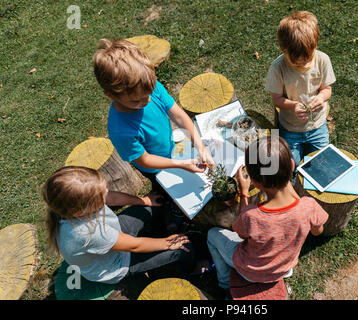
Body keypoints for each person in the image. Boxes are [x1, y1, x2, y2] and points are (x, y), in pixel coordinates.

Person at [92, 38, 215, 230]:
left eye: (148, 94)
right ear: (111, 95)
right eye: (136, 101)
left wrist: (200, 147)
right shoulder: (120, 130)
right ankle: (172, 209)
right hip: (154, 168)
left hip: (171, 148)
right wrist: (181, 164)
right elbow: (145, 161)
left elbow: (180, 117)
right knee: (166, 189)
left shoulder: (149, 86)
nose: (146, 101)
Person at [207, 135, 329, 298]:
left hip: (250, 271)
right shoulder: (308, 206)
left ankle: (223, 282)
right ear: (292, 165)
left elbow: (242, 235)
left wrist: (244, 193)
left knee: (212, 235)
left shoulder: (252, 215)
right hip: (283, 268)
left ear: (255, 183)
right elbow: (317, 231)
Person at [42, 166, 195, 284]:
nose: (107, 193)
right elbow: (136, 246)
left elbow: (112, 198)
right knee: (184, 249)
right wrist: (168, 243)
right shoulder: (88, 233)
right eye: (102, 196)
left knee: (155, 205)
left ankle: (168, 226)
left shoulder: (71, 206)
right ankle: (192, 270)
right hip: (117, 264)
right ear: (80, 212)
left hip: (115, 235)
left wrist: (144, 200)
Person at [265, 11, 336, 172]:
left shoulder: (323, 60)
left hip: (317, 125)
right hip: (290, 128)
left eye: (308, 59)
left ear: (315, 45)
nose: (304, 65)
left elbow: (327, 89)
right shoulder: (278, 68)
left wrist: (321, 97)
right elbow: (276, 99)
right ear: (284, 50)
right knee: (290, 166)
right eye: (297, 62)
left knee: (320, 162)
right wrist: (293, 105)